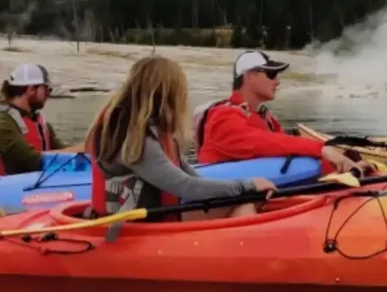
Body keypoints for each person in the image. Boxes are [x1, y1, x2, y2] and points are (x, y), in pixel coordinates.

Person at [86, 55, 276, 221]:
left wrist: (245, 190)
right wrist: (247, 185)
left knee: (244, 202)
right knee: (242, 204)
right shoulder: (132, 135)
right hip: (129, 230)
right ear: (165, 92)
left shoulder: (153, 129)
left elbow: (193, 179)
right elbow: (184, 186)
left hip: (156, 219)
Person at [194, 51, 367, 175]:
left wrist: (346, 165)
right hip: (223, 205)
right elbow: (258, 142)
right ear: (250, 76)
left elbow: (287, 151)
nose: (277, 81)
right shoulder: (222, 116)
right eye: (271, 74)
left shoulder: (266, 118)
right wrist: (321, 149)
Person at [0, 63, 74, 174]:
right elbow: (32, 161)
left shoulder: (42, 124)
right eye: (46, 89)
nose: (48, 94)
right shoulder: (3, 122)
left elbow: (65, 151)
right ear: (31, 89)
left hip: (34, 185)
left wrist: (89, 149)